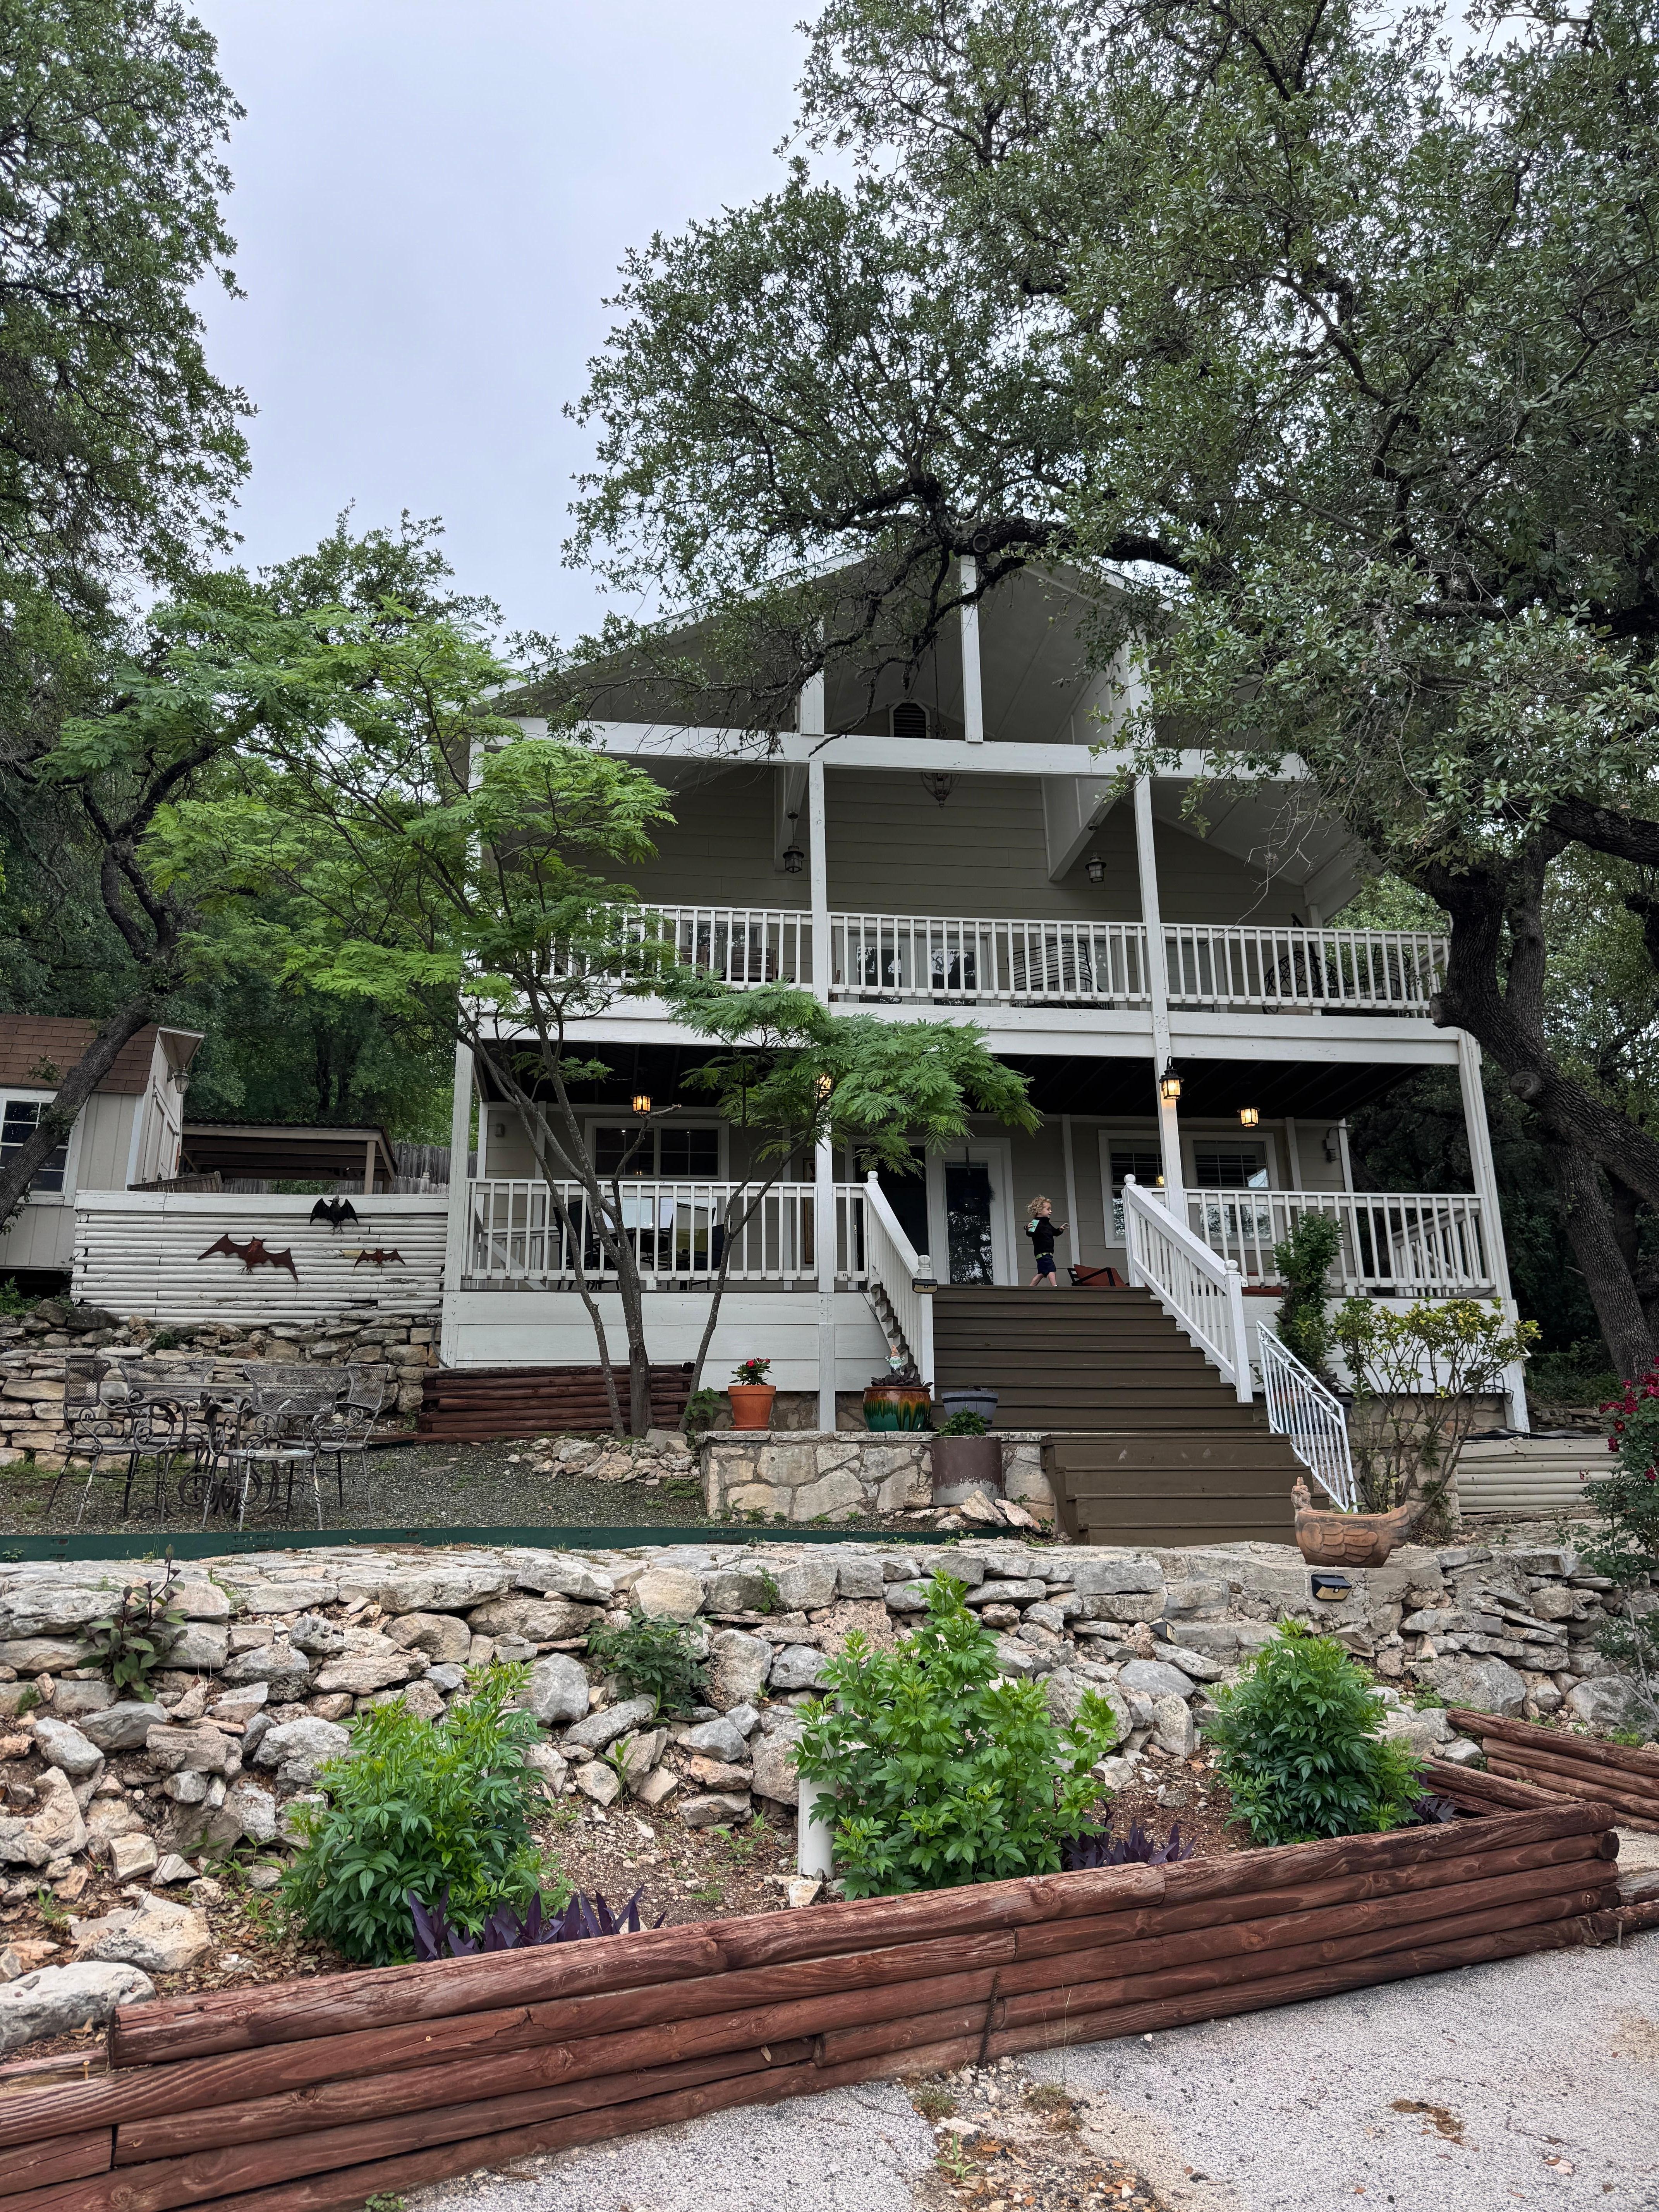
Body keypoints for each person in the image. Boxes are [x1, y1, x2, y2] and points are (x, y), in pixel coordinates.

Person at [1024, 1195, 1067, 1287]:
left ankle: (1030, 1288)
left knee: (1042, 1273)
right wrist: (1028, 1228)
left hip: (1047, 1252)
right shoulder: (1035, 1222)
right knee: (1052, 1268)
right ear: (1040, 1211)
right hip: (1043, 1252)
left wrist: (1061, 1229)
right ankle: (1055, 1286)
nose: (1051, 1211)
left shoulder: (1047, 1224)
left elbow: (1055, 1233)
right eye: (1048, 1209)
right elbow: (1030, 1233)